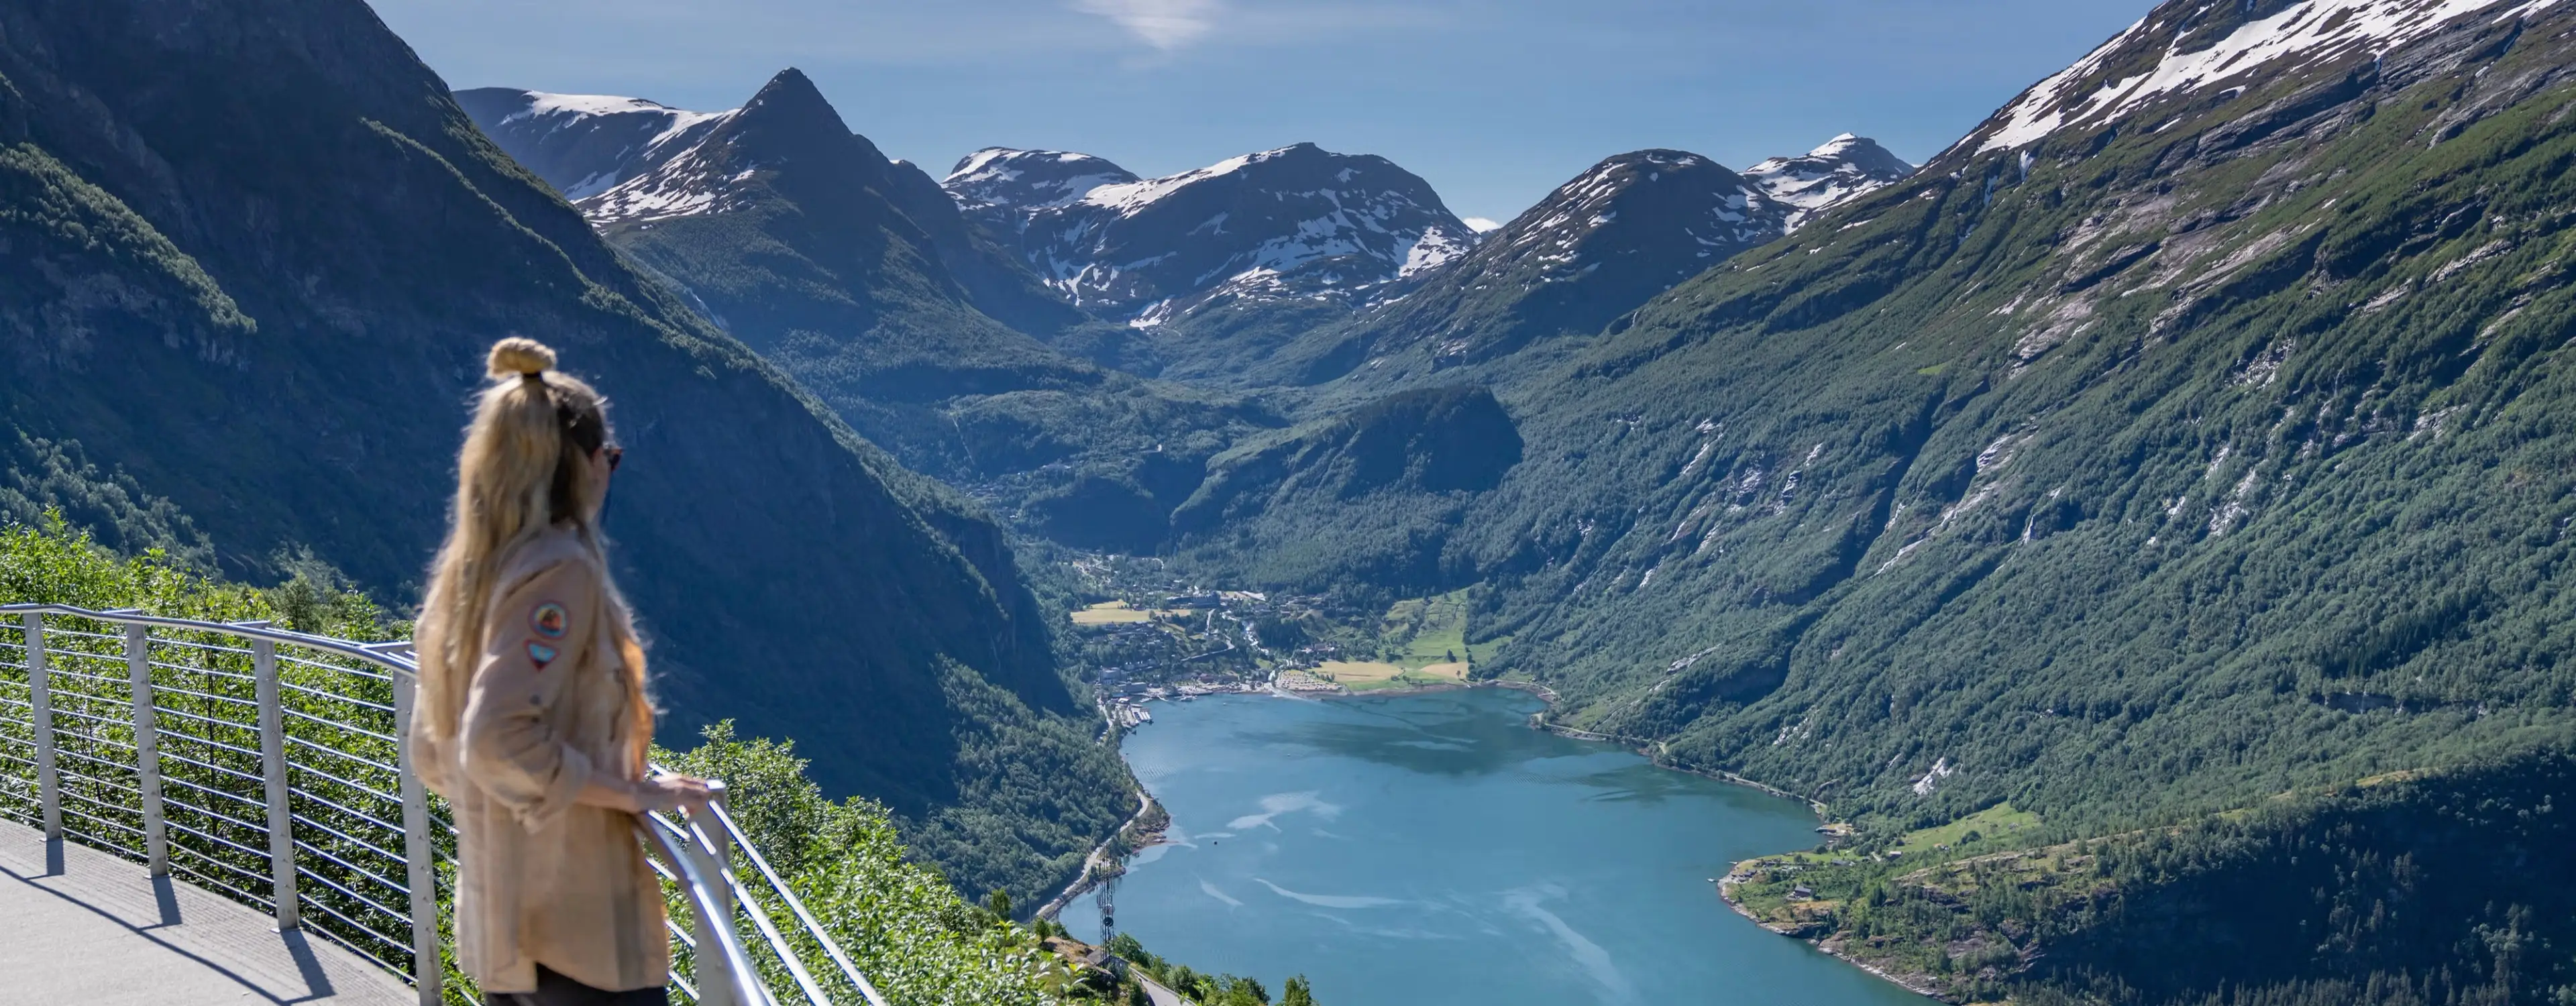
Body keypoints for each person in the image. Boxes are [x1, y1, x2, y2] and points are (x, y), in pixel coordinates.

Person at [410, 337, 717, 1005]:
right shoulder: (560, 572)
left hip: (504, 928)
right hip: (580, 935)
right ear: (578, 466)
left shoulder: (464, 578)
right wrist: (633, 795)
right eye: (609, 456)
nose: (611, 468)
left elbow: (435, 752)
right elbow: (496, 736)